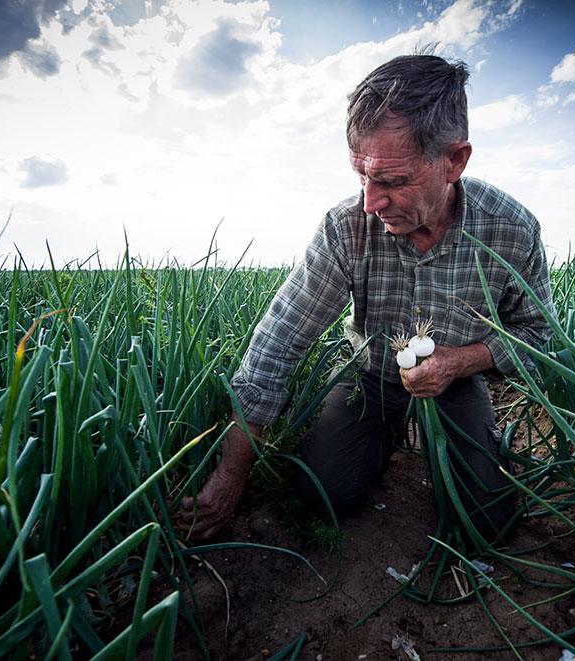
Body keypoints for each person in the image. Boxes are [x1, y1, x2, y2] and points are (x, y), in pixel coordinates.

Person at [179, 54, 554, 541]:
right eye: (362, 176)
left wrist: (459, 362)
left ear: (454, 161)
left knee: (484, 519)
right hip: (371, 375)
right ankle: (384, 433)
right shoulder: (345, 227)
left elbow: (537, 336)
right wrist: (230, 476)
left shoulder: (511, 229)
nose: (370, 202)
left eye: (393, 181)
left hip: (457, 382)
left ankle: (463, 443)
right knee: (322, 491)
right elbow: (279, 340)